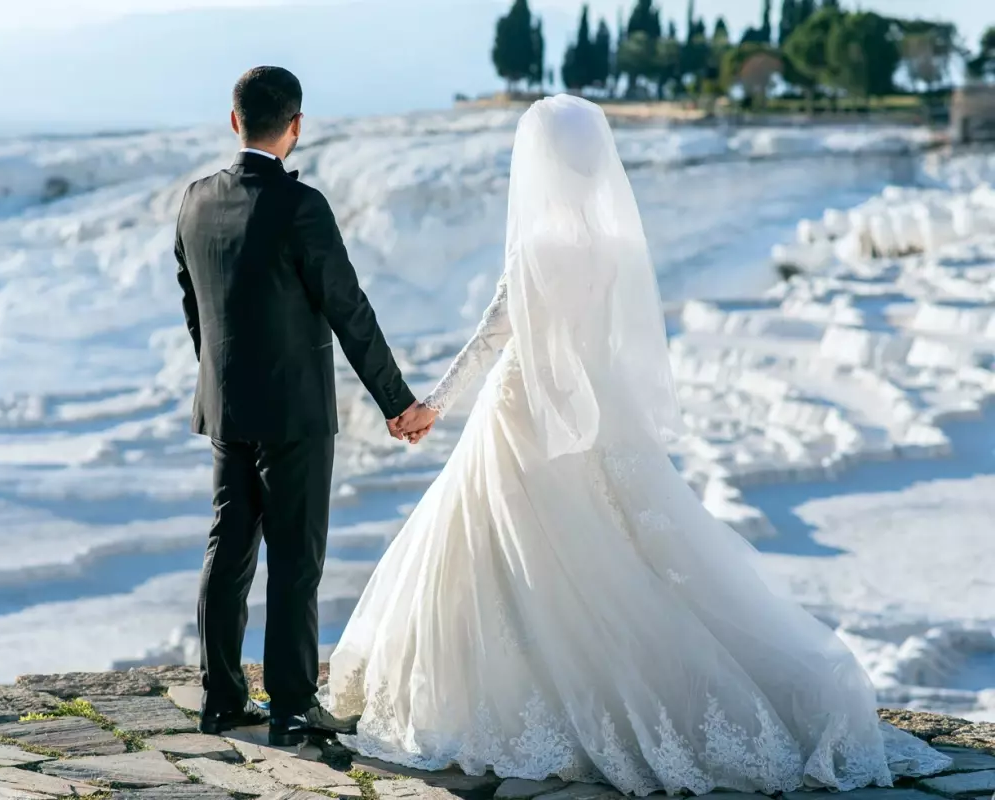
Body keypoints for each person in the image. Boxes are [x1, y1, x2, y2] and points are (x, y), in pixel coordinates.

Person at [326, 95, 952, 793]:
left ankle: (509, 697)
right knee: (620, 556)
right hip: (599, 409)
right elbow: (622, 343)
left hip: (525, 410)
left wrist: (429, 406)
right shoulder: (617, 247)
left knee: (509, 558)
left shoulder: (535, 249)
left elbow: (490, 339)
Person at [174, 66, 435, 747]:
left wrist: (221, 378)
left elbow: (193, 305)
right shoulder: (302, 207)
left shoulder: (195, 201)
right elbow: (348, 308)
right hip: (294, 416)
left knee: (227, 551)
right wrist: (398, 401)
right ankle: (291, 707)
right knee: (295, 561)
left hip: (227, 410)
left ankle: (223, 699)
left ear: (235, 122)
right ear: (295, 127)